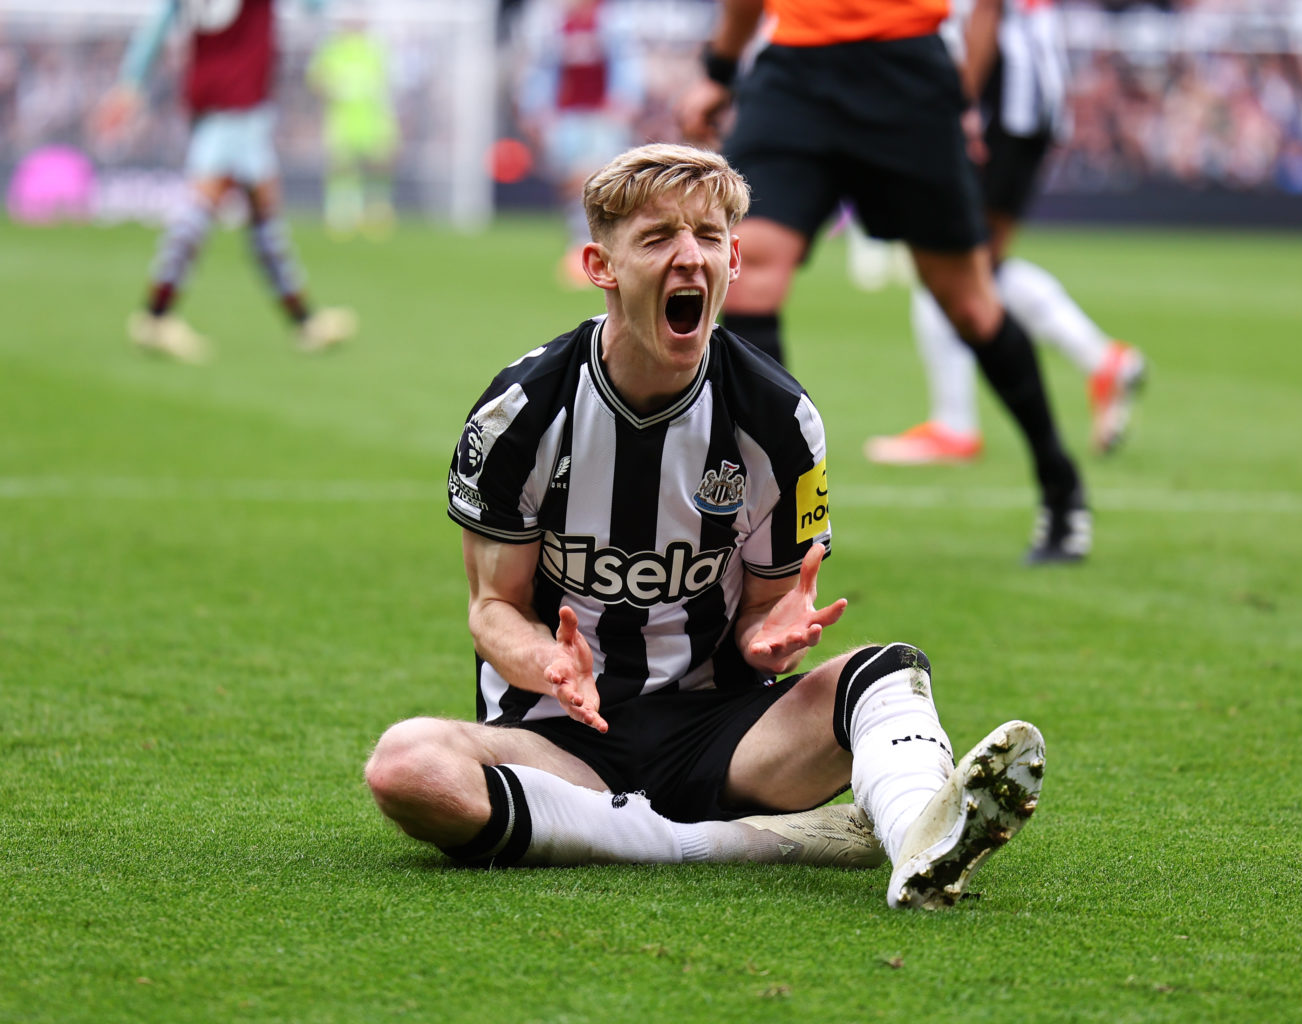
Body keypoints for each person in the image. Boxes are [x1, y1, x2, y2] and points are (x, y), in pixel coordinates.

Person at [363, 144, 1047, 911]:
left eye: (709, 238)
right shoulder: (520, 414)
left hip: (724, 736)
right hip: (559, 740)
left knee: (888, 673)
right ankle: (738, 843)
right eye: (658, 238)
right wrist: (543, 660)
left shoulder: (780, 421)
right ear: (600, 264)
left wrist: (768, 632)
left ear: (734, 262)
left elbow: (765, 608)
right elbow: (493, 608)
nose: (690, 257)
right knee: (406, 766)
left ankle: (923, 837)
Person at [677, 0, 1090, 565]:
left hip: (907, 75)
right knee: (747, 284)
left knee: (970, 305)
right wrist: (719, 70)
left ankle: (1059, 482)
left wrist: (959, 99)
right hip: (796, 72)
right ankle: (775, 517)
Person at [865, 0, 1146, 466]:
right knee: (978, 265)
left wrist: (960, 105)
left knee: (945, 255)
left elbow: (986, 9)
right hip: (1032, 97)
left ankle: (954, 427)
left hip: (1006, 97)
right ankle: (1101, 360)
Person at [94, 0, 356, 363]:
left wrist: (131, 83)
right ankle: (156, 314)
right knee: (202, 206)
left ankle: (304, 321)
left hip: (209, 93)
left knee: (264, 214)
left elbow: (159, 26)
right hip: (239, 98)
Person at [514, 0, 646, 287]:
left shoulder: (613, 21)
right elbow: (541, 71)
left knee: (597, 180)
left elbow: (626, 66)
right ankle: (583, 246)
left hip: (603, 116)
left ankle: (597, 248)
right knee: (573, 184)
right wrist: (535, 109)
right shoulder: (552, 25)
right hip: (565, 116)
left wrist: (623, 104)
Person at [307, 17, 398, 239]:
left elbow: (388, 86)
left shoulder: (375, 49)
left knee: (378, 165)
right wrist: (331, 89)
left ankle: (377, 213)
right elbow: (316, 81)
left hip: (374, 120)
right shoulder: (332, 49)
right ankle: (342, 214)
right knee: (342, 167)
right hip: (341, 120)